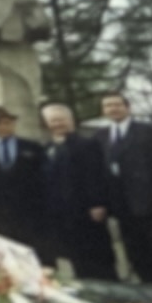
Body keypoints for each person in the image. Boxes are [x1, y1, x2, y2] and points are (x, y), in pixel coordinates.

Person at [91, 90, 152, 282]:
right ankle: (150, 290)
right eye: (108, 106)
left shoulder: (150, 131)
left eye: (117, 104)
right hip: (122, 207)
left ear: (127, 107)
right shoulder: (100, 136)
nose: (113, 109)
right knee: (138, 254)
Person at [39, 104, 116, 281]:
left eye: (61, 120)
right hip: (63, 214)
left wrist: (97, 203)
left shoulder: (87, 144)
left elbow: (96, 175)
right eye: (53, 121)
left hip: (87, 211)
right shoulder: (47, 148)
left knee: (99, 257)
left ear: (71, 120)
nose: (57, 124)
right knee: (76, 258)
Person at [0, 106, 46, 252]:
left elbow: (42, 176)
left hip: (27, 208)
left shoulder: (31, 147)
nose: (3, 127)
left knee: (28, 246)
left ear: (13, 124)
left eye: (7, 123)